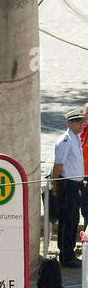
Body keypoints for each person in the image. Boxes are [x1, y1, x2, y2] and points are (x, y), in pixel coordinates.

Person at [50, 108, 84, 270]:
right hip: (68, 185)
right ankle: (66, 255)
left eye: (82, 122)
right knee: (67, 221)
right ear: (69, 123)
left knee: (73, 220)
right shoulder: (65, 140)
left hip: (75, 185)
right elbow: (58, 165)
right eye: (77, 122)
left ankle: (69, 253)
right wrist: (55, 186)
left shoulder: (75, 138)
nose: (81, 125)